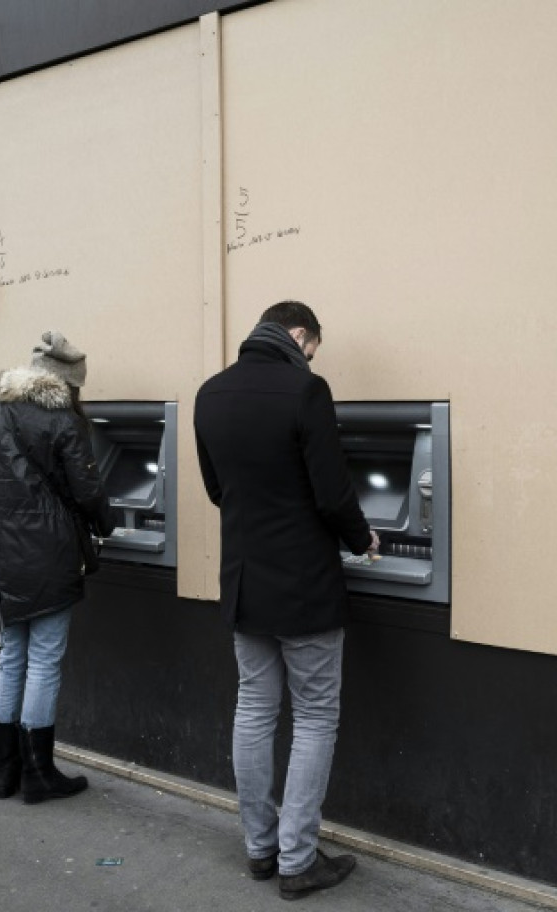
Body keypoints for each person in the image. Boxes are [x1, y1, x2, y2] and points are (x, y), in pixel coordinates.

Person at [193, 301, 378, 900]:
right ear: (300, 335)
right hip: (304, 586)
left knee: (254, 710)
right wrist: (362, 538)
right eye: (313, 348)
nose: (312, 358)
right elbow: (332, 492)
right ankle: (298, 859)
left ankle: (260, 848)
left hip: (246, 580)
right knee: (316, 716)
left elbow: (218, 490)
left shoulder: (210, 394)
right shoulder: (306, 390)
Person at [0, 331, 113, 805]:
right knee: (45, 661)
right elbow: (87, 491)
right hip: (49, 555)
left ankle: (3, 773)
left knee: (11, 655)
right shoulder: (64, 422)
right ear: (68, 383)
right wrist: (107, 523)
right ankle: (38, 774)